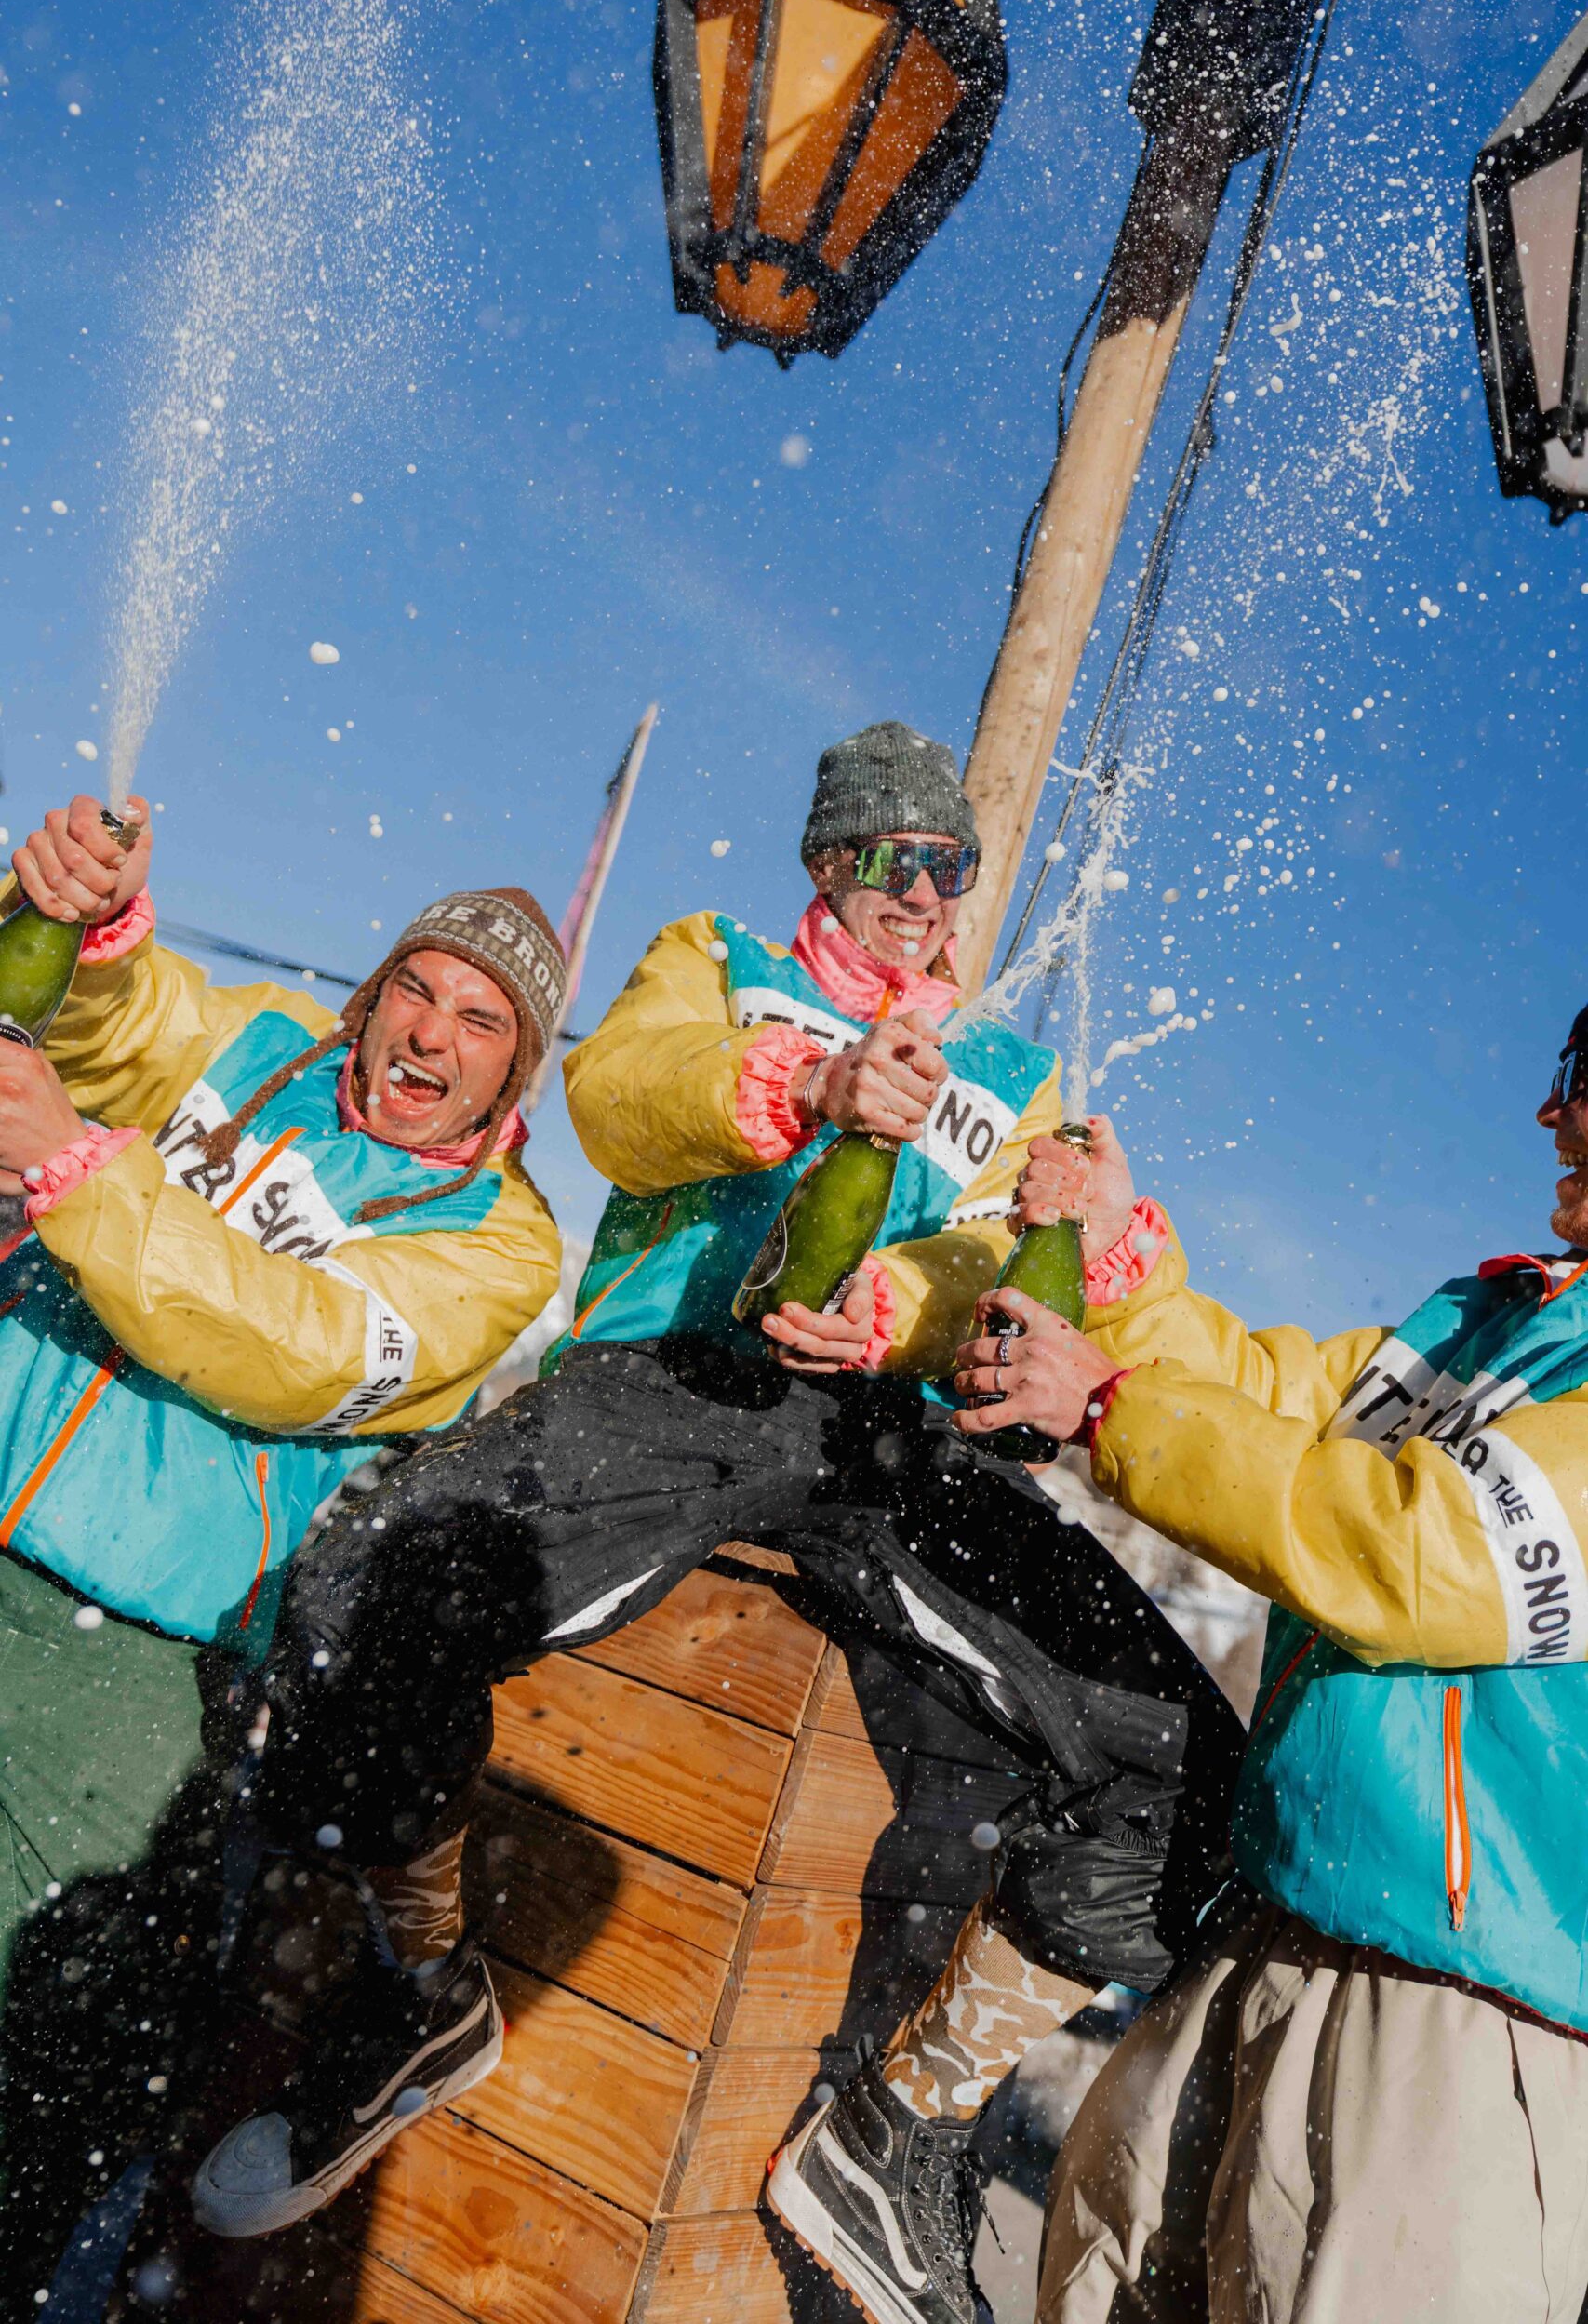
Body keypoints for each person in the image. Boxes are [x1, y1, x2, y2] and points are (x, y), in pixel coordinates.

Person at [193, 724, 1241, 2324]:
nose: (918, 891)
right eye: (882, 859)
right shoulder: (725, 960)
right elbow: (620, 1100)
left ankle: (907, 2126)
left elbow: (1021, 1283)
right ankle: (420, 1988)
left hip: (889, 1435)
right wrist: (808, 1082)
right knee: (348, 1602)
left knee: (1189, 1768)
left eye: (943, 865)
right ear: (824, 865)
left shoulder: (1017, 1078)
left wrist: (952, 1283)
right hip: (688, 1377)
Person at [934, 1011, 1588, 2324]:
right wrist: (1118, 1270)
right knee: (1105, 2277)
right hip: (1275, 1921)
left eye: (1584, 1082)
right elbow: (1271, 1400)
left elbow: (1424, 1554)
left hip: (1461, 2020)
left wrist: (1110, 1407)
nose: (1550, 1114)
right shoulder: (1494, 1317)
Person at [0, 795, 564, 2301]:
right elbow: (126, 1029)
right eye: (417, 989)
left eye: (482, 1021)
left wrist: (77, 1173)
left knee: (28, 2052)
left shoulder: (497, 1242)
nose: (429, 1034)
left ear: (519, 1073)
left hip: (129, 1650)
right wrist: (95, 920)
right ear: (370, 994)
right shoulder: (257, 1046)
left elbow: (298, 1347)